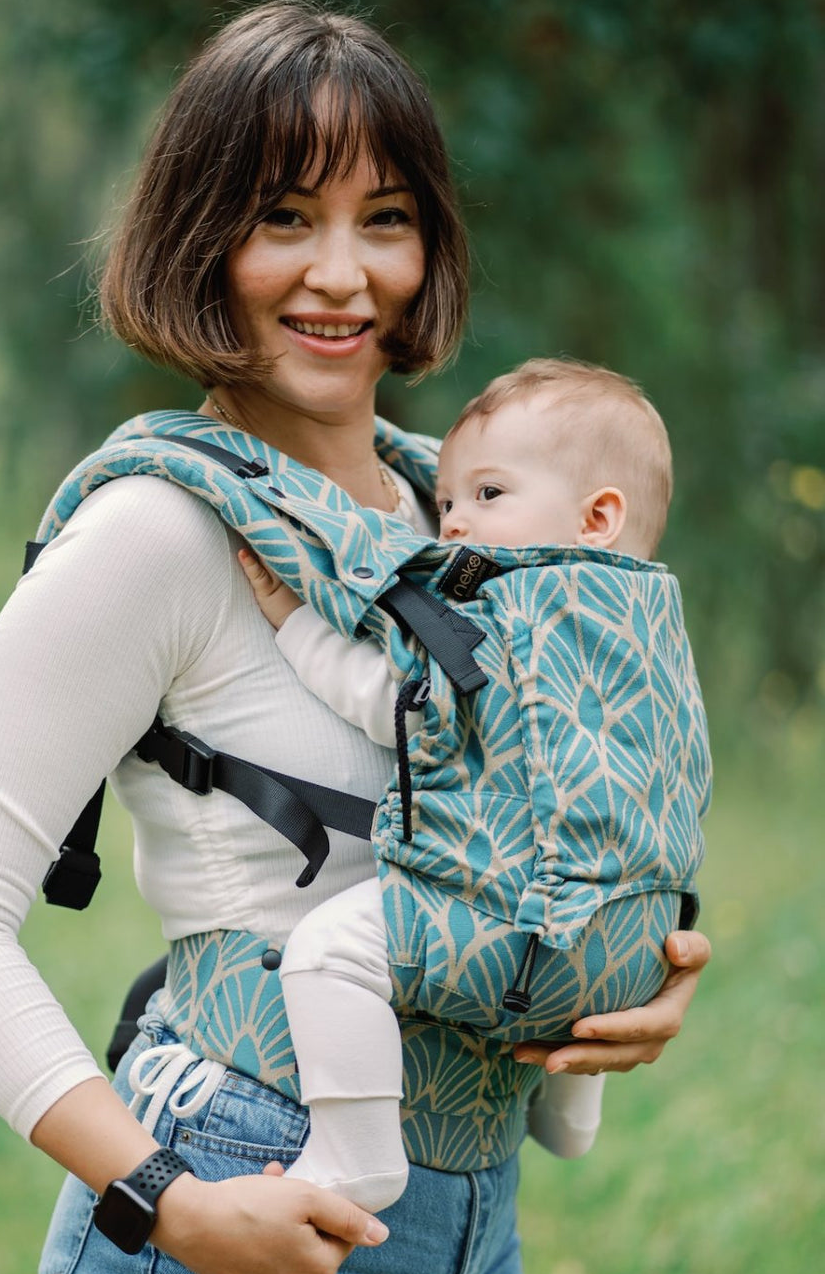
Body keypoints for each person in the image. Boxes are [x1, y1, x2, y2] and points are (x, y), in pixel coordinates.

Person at [0, 0, 712, 1274]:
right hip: (227, 1210)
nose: (344, 274)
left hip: (462, 1230)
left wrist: (635, 970)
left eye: (383, 220)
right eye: (284, 218)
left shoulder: (461, 511)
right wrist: (172, 1210)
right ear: (203, 241)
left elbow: (552, 800)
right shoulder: (156, 535)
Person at [238, 357, 710, 1213]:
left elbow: (398, 703)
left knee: (327, 952)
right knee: (576, 950)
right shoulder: (654, 624)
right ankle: (569, 1115)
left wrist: (296, 624)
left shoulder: (505, 605)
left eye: (487, 496)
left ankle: (356, 1156)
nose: (453, 524)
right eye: (449, 501)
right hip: (642, 944)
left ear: (599, 516)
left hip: (513, 931)